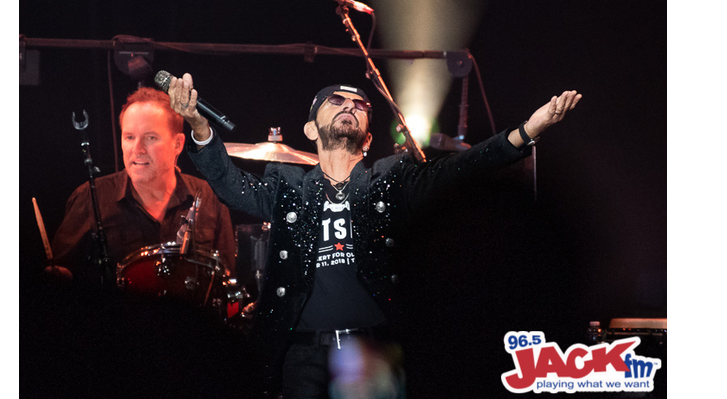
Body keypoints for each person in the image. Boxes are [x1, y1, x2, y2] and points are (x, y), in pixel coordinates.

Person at [167, 73, 581, 397]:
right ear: (311, 129)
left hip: (373, 352)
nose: (349, 106)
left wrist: (527, 130)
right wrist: (199, 125)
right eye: (336, 101)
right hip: (303, 354)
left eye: (359, 105)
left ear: (367, 137)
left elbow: (462, 168)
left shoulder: (390, 179)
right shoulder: (287, 184)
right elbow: (229, 184)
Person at [49, 86, 236, 288]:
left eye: (151, 138)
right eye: (129, 137)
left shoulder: (210, 196)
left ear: (178, 144)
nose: (137, 149)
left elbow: (226, 280)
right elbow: (60, 278)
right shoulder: (90, 196)